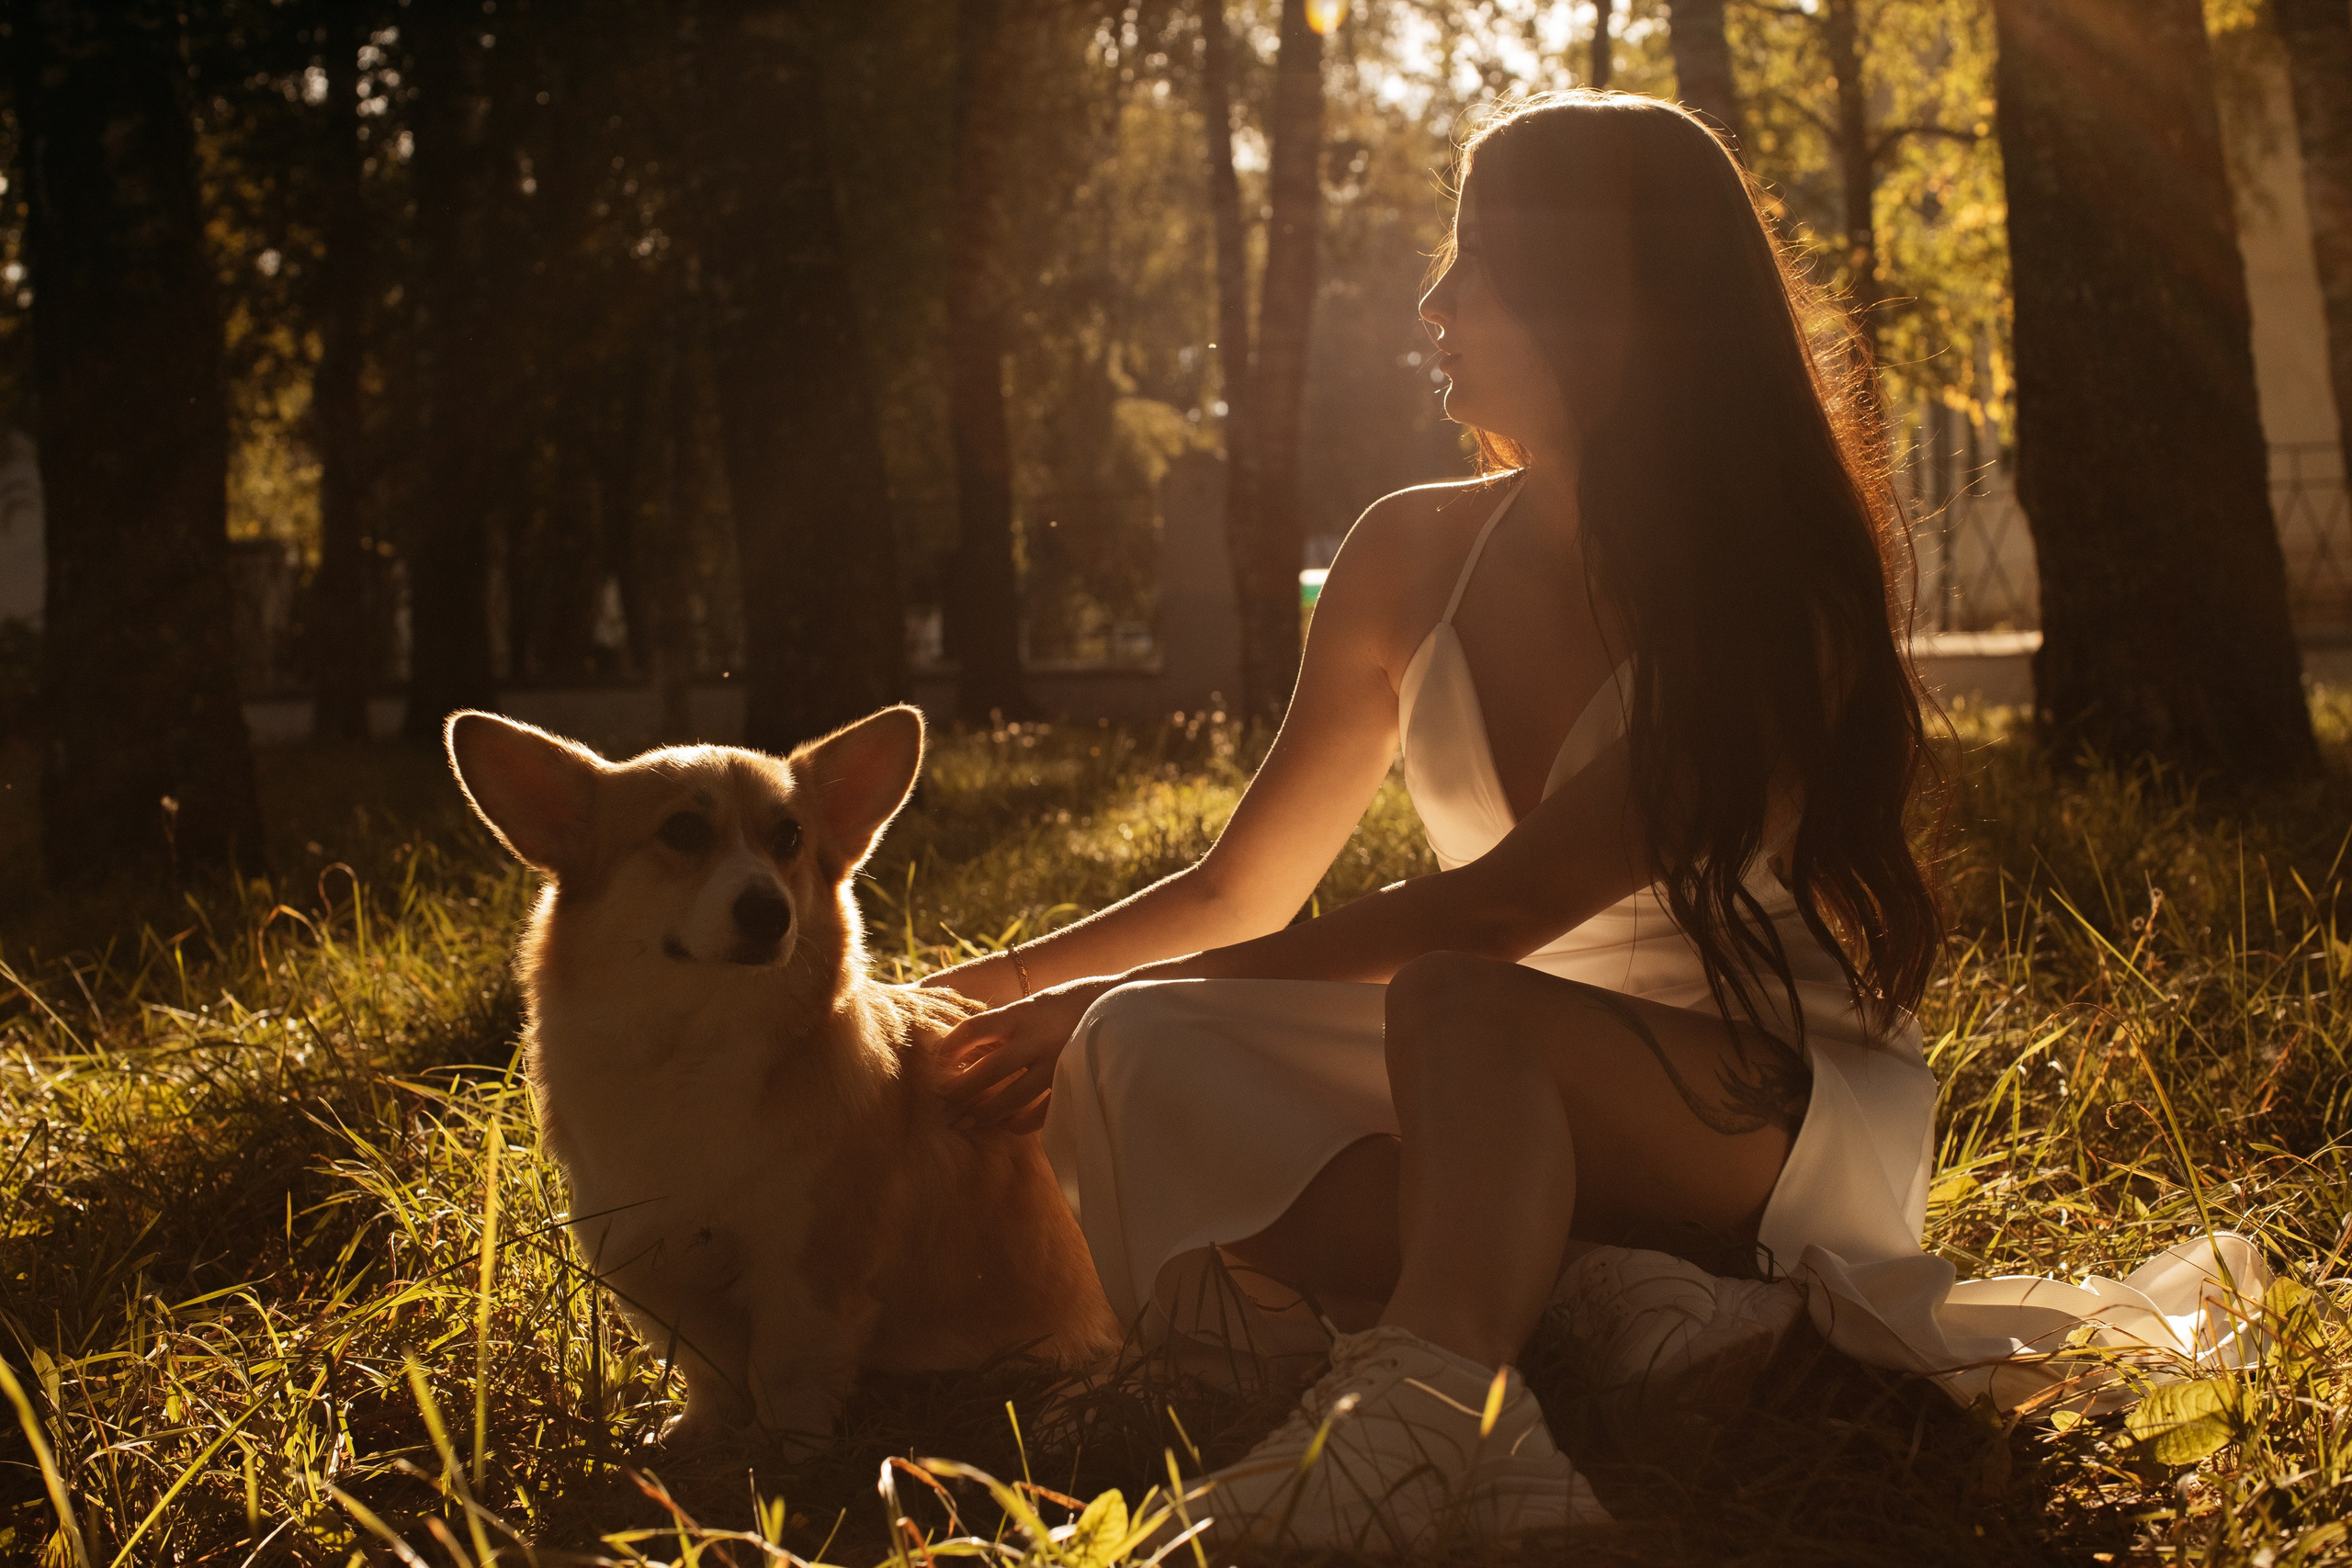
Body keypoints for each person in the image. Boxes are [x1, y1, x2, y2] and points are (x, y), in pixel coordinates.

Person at [922, 91, 2267, 1554]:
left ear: (1609, 299)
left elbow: (1497, 914)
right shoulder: (1405, 551)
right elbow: (1241, 888)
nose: (1433, 301)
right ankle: (1596, 1317)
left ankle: (1426, 1414)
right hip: (1490, 1075)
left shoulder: (1768, 593)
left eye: (1477, 261)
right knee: (1140, 1049)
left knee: (1448, 1004)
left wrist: (1099, 996)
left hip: (1757, 1099)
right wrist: (979, 997)